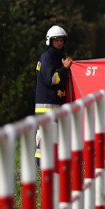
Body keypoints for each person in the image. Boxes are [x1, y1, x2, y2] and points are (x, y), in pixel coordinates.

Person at [35, 25, 73, 162]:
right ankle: (41, 167)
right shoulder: (47, 57)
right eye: (56, 40)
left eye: (61, 40)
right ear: (50, 41)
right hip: (46, 104)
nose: (59, 43)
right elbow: (51, 79)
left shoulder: (59, 56)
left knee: (55, 137)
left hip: (56, 102)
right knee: (44, 136)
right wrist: (64, 69)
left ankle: (51, 165)